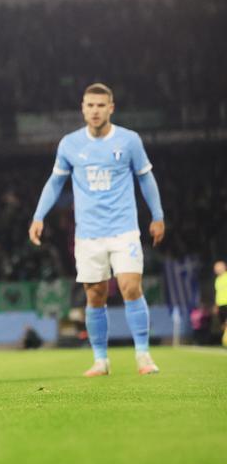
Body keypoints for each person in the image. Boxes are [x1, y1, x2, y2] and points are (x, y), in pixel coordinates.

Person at [29, 83, 164, 377]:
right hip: (89, 234)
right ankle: (101, 360)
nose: (95, 110)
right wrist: (39, 216)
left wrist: (157, 215)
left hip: (124, 228)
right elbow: (55, 183)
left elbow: (146, 178)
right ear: (82, 107)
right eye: (90, 105)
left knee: (130, 286)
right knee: (95, 295)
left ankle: (143, 354)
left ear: (111, 108)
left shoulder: (129, 141)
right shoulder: (70, 144)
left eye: (101, 105)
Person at [214, 261, 227, 346]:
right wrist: (216, 305)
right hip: (220, 304)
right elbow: (218, 293)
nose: (216, 270)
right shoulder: (217, 279)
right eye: (215, 268)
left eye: (218, 267)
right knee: (223, 325)